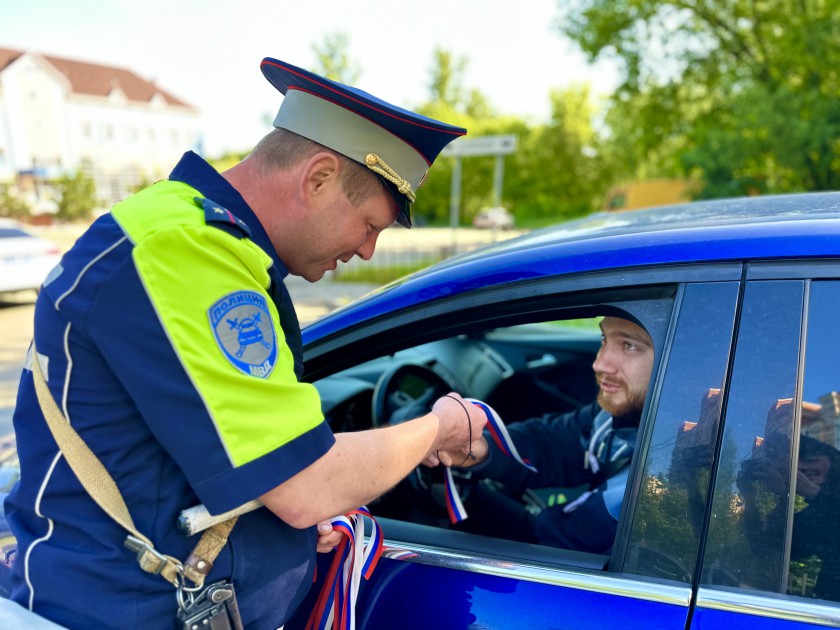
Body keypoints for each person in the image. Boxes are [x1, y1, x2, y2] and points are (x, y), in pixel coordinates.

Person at [4, 57, 486, 629]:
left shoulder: (190, 235)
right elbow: (307, 485)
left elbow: (186, 443)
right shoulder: (186, 251)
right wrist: (441, 427)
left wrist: (271, 519)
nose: (367, 252)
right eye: (371, 224)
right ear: (319, 177)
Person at [428, 315, 654, 553]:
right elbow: (554, 444)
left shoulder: (679, 484)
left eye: (629, 346)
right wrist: (481, 448)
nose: (599, 364)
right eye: (604, 339)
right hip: (551, 535)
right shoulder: (621, 414)